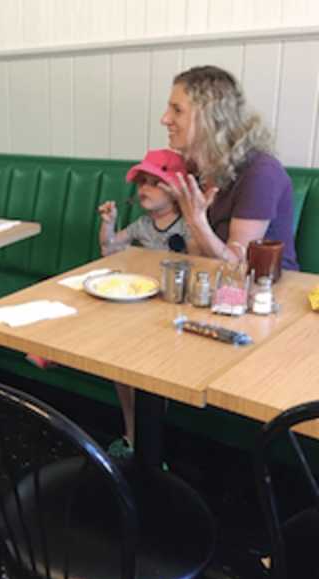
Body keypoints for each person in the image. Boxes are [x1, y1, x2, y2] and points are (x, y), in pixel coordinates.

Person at [97, 148, 191, 458]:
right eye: (141, 183)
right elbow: (110, 250)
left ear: (176, 192)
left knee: (142, 365)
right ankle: (132, 435)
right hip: (141, 306)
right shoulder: (141, 225)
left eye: (154, 182)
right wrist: (108, 224)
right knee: (119, 358)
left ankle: (149, 444)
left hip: (172, 311)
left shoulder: (188, 228)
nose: (143, 189)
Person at [160, 65, 299, 270]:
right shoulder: (195, 169)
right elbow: (198, 254)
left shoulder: (261, 173)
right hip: (213, 284)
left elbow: (238, 265)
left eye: (177, 110)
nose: (165, 119)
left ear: (211, 116)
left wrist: (196, 221)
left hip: (270, 290)